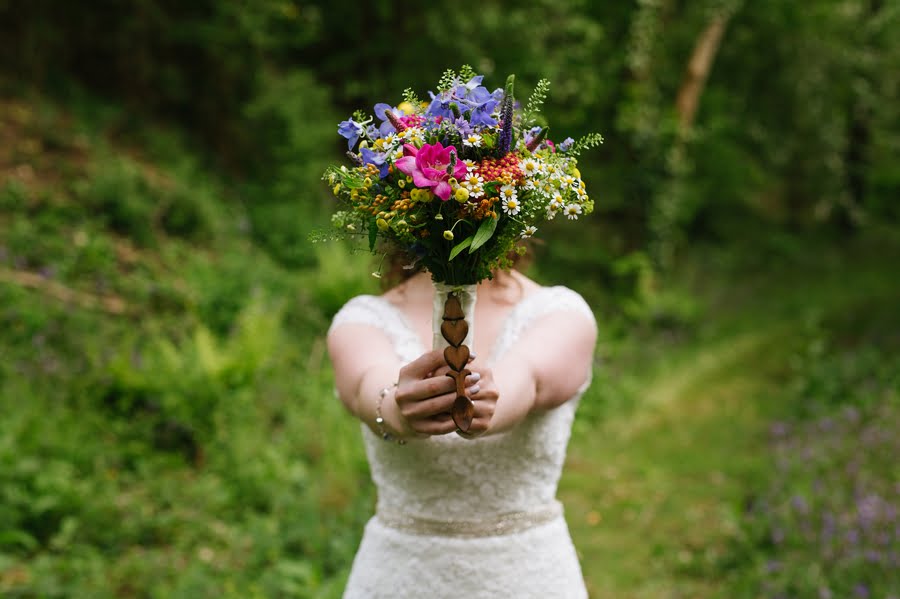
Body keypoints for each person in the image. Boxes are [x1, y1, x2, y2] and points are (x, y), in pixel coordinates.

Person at [327, 264, 597, 598]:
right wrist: (400, 408)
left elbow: (528, 379)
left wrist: (485, 404)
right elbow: (366, 386)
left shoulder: (561, 314)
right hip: (400, 578)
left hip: (529, 577)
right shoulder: (363, 320)